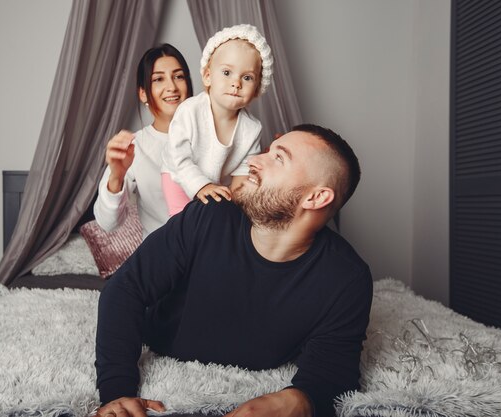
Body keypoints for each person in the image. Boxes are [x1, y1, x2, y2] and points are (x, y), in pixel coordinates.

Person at [95, 124, 373, 417]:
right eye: (267, 150)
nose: (253, 160)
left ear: (316, 198)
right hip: (163, 341)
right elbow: (126, 290)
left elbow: (333, 372)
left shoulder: (347, 279)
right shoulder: (208, 215)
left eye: (279, 158)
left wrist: (294, 401)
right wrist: (118, 392)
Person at [160, 24, 274, 216]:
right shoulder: (189, 111)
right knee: (183, 221)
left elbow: (242, 172)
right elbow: (179, 159)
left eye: (247, 77)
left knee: (224, 219)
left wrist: (236, 201)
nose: (236, 83)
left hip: (217, 181)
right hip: (178, 175)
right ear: (207, 76)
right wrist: (202, 185)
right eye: (227, 73)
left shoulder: (252, 128)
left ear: (256, 89)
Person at [93, 43, 194, 239]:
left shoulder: (216, 135)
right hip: (162, 258)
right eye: (158, 79)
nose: (171, 87)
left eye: (179, 76)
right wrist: (117, 175)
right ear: (143, 93)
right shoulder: (134, 147)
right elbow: (108, 223)